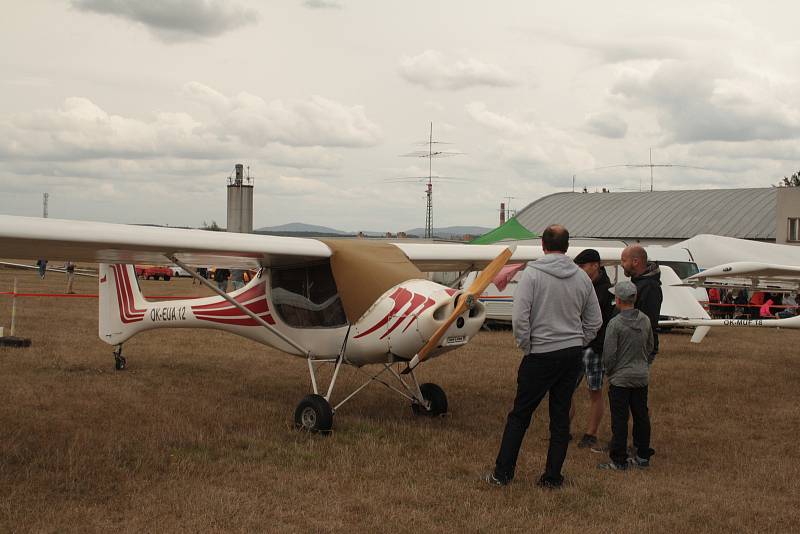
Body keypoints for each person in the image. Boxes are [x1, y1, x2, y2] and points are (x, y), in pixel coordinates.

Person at [484, 225, 602, 489]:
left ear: (542, 245)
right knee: (560, 418)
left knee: (520, 416)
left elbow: (520, 318)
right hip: (570, 354)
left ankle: (502, 474)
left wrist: (527, 346)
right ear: (568, 246)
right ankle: (552, 477)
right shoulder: (582, 277)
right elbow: (595, 320)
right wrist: (577, 341)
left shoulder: (533, 275)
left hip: (540, 353)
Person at [598, 280, 655, 471]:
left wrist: (610, 371)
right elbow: (650, 346)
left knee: (620, 419)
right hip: (641, 376)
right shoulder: (645, 320)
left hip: (620, 379)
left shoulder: (615, 324)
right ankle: (642, 455)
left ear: (618, 300)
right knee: (641, 416)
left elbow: (609, 354)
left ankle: (619, 459)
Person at [570, 249, 615, 450]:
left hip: (595, 348)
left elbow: (607, 323)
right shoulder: (582, 286)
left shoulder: (606, 290)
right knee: (566, 388)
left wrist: (598, 346)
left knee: (594, 391)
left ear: (595, 265)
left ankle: (591, 433)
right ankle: (564, 429)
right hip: (577, 345)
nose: (579, 270)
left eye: (582, 266)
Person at [620, 245, 662, 363]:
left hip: (639, 347)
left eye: (624, 260)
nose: (621, 264)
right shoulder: (638, 283)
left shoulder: (650, 287)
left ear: (635, 261)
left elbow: (647, 321)